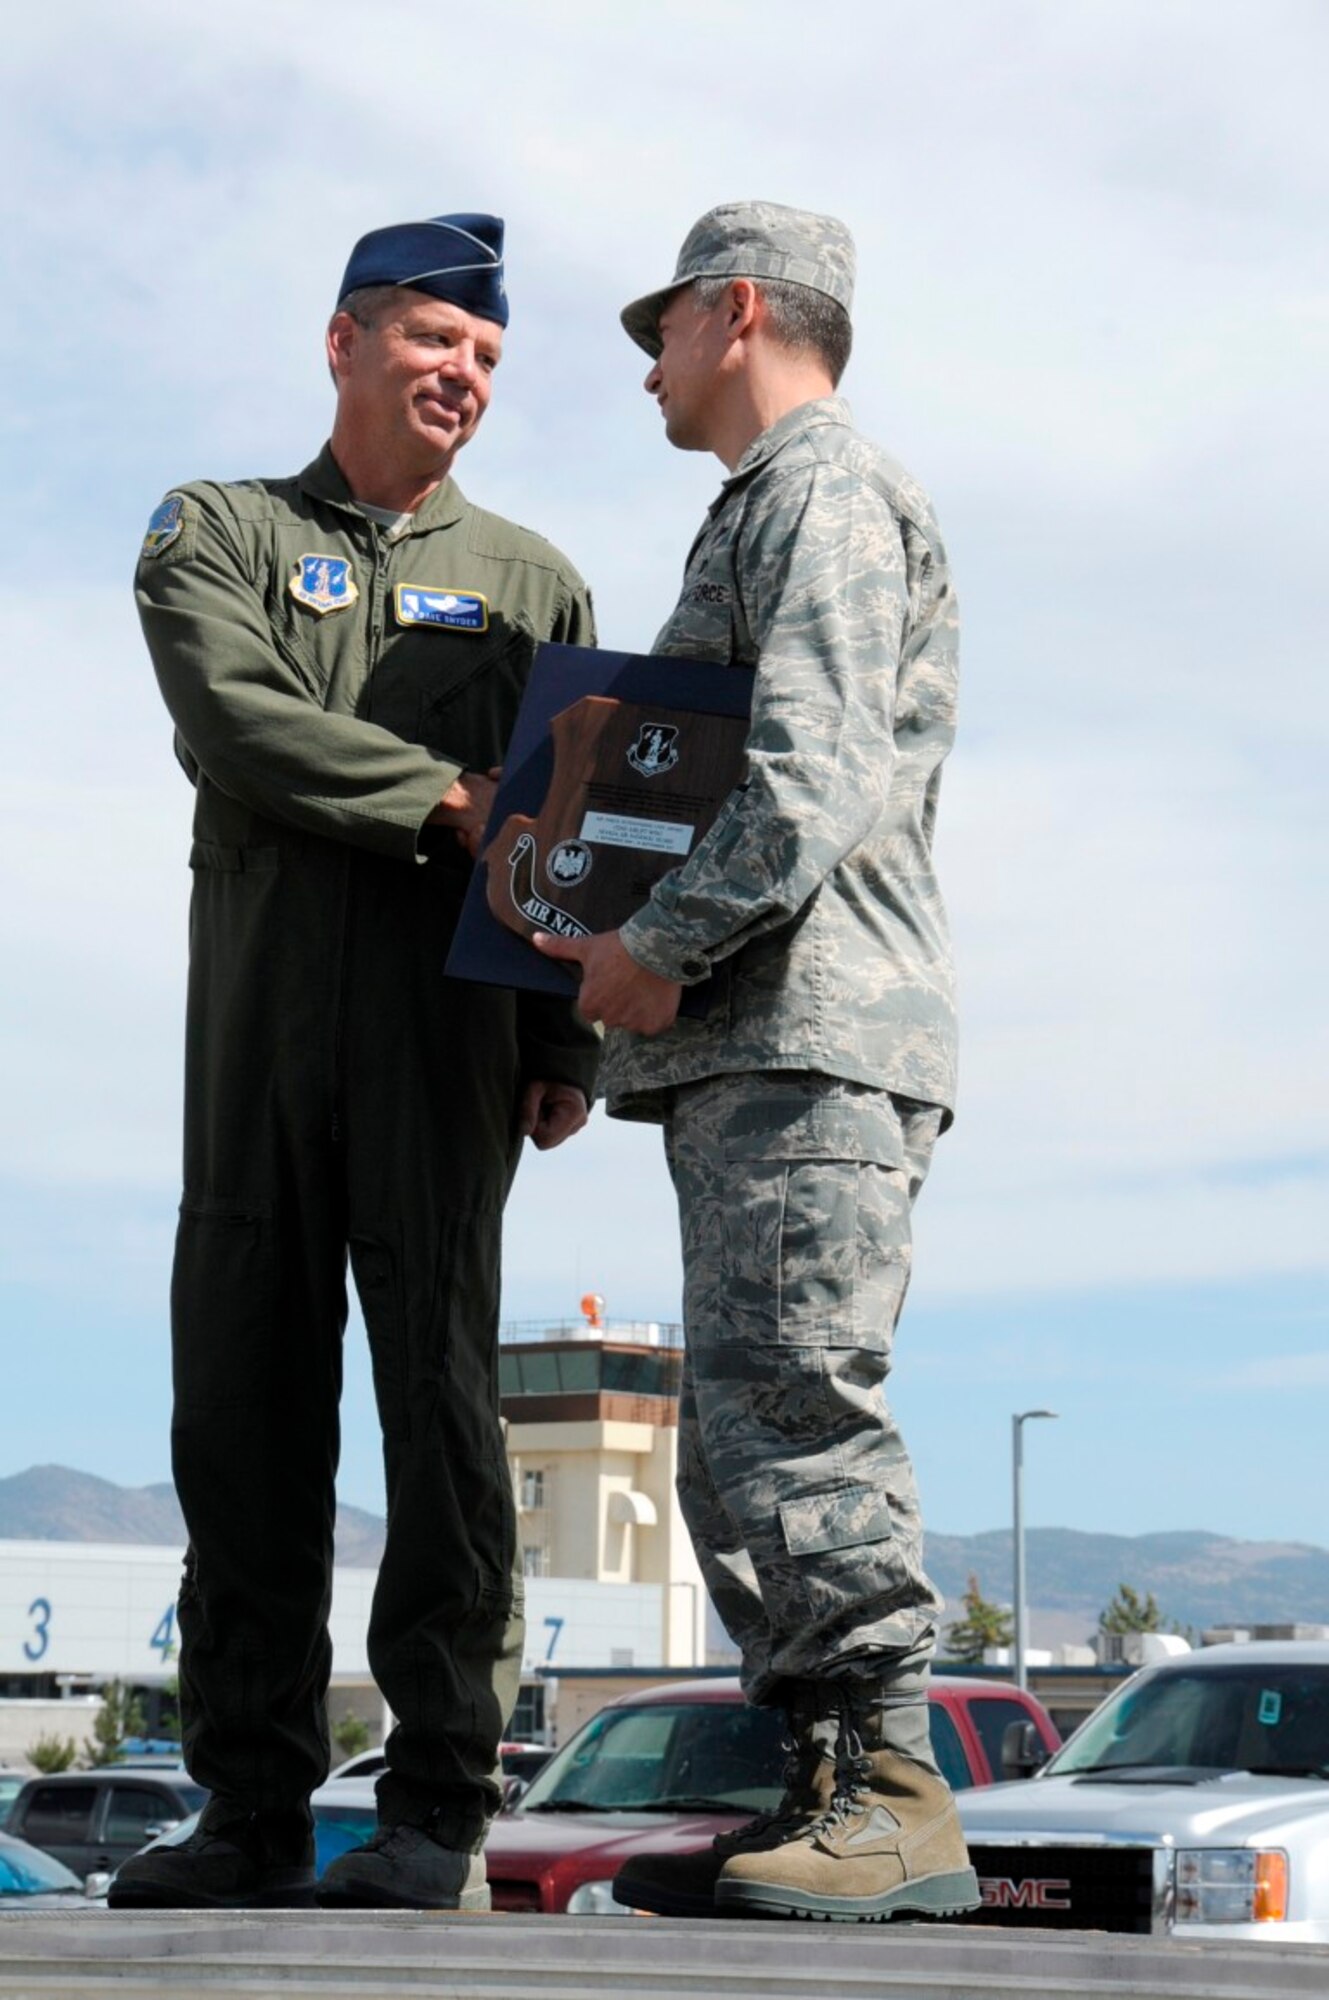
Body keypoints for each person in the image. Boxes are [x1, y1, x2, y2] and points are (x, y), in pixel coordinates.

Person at [113, 214, 599, 1913]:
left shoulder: (534, 582)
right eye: (429, 342)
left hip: (444, 1039)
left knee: (444, 1420)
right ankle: (245, 1805)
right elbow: (228, 712)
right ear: (343, 343)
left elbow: (575, 823)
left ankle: (433, 1810)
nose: (458, 374)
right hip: (254, 1039)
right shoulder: (221, 530)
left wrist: (563, 1035)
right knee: (242, 1412)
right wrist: (442, 798)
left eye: (482, 358)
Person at [534, 202, 977, 1924]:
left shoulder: (820, 490)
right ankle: (831, 1784)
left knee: (790, 1402)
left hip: (807, 1029)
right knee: (732, 1435)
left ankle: (888, 1789)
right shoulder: (779, 499)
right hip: (758, 1039)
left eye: (660, 329)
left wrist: (648, 949)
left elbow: (806, 776)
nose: (646, 365)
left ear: (735, 314)